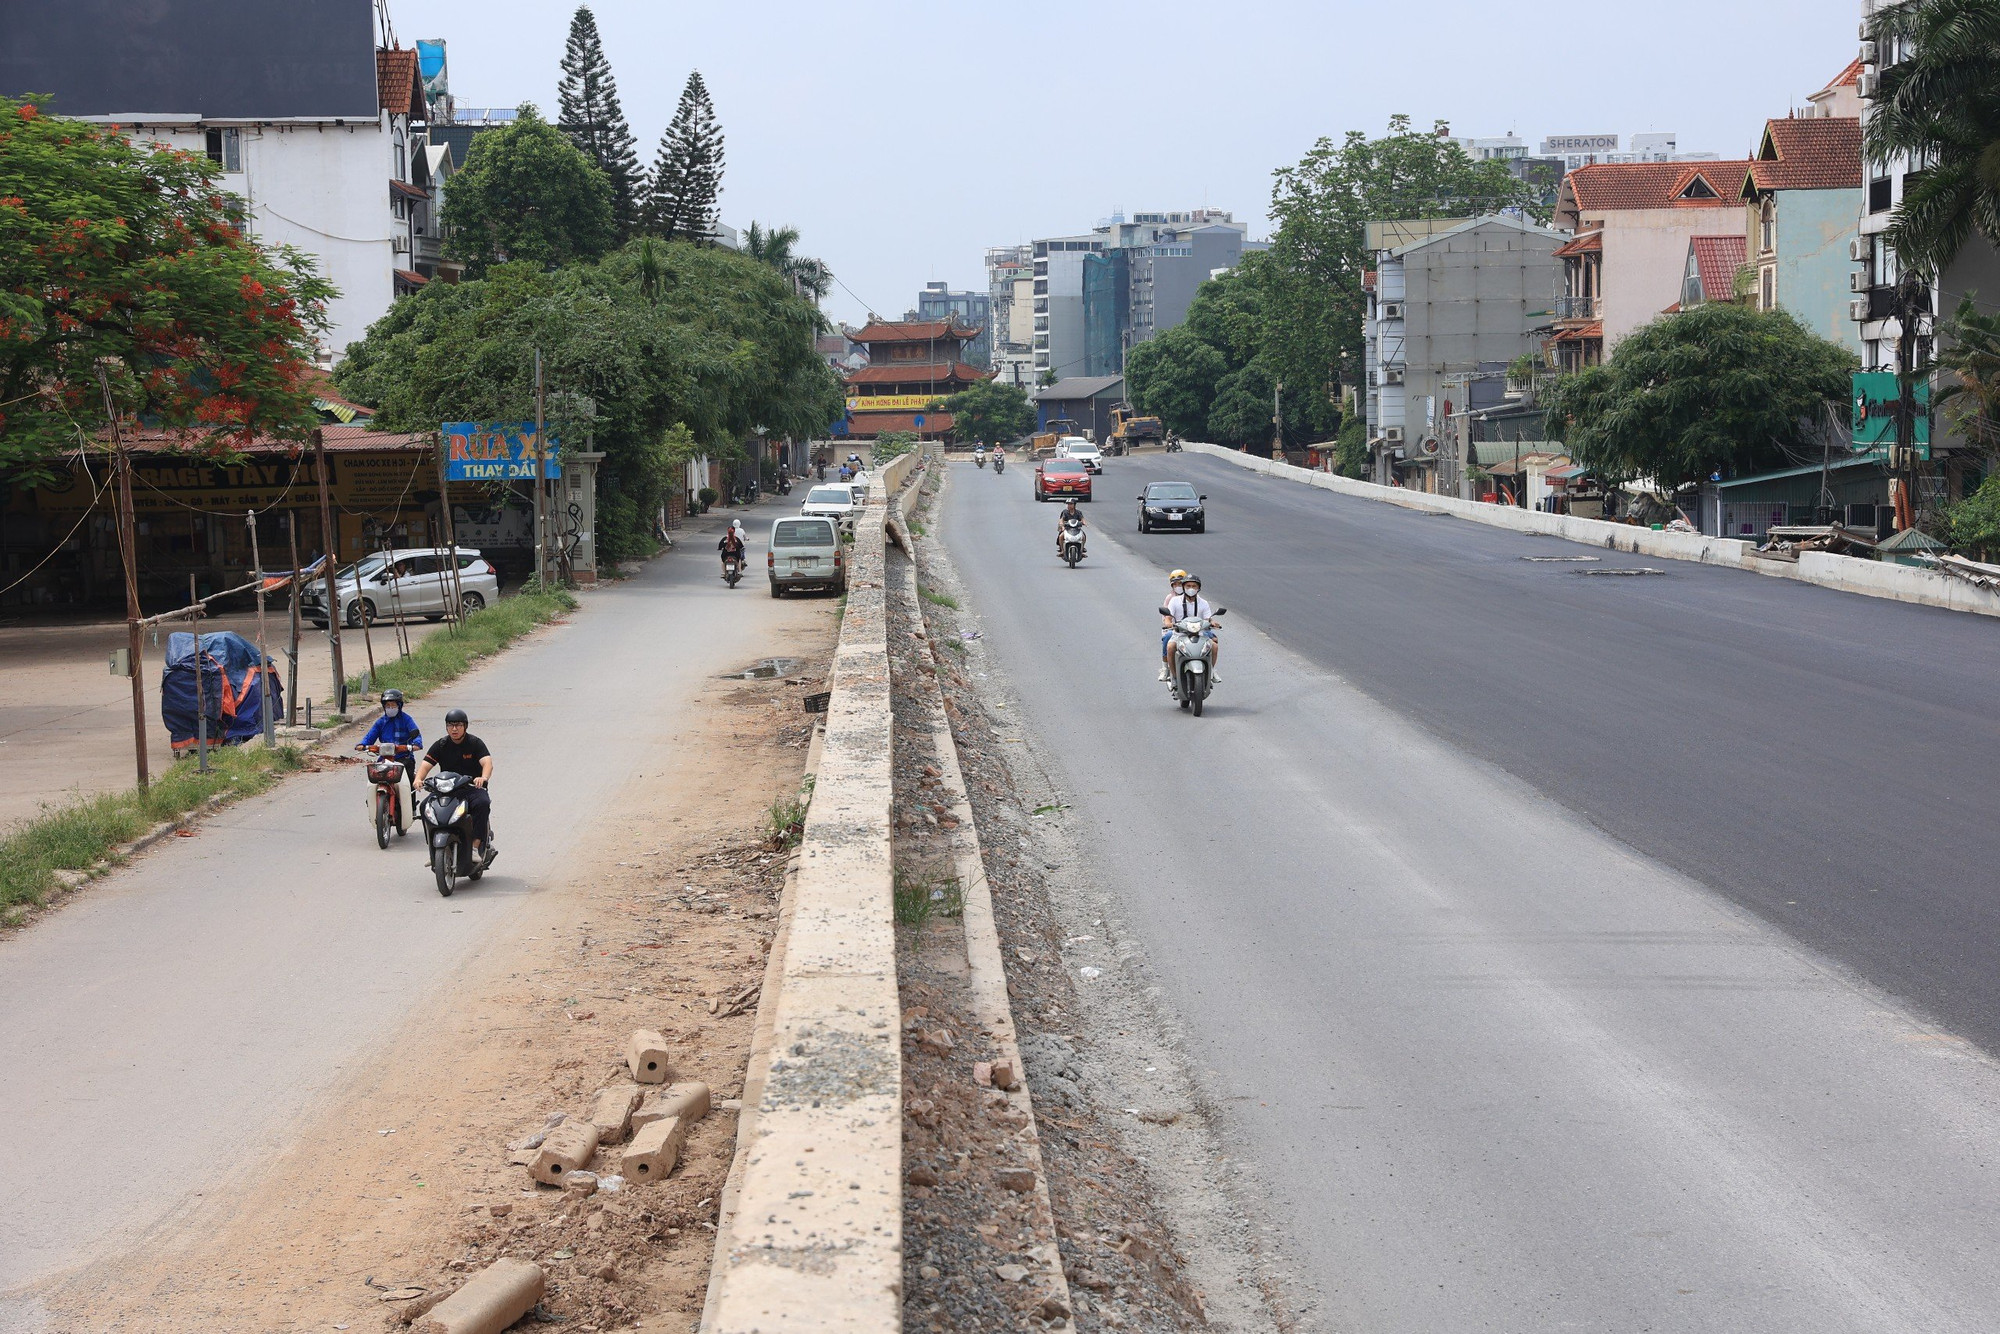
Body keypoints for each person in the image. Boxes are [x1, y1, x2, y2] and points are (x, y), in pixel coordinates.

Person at [414, 707, 495, 862]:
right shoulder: (441, 744)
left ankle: (475, 846)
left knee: (482, 803)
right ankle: (433, 849)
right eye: (450, 725)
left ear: (465, 726)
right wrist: (418, 779)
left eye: (458, 725)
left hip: (471, 789)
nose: (454, 729)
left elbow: (487, 763)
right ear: (446, 727)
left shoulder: (474, 743)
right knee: (425, 806)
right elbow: (425, 765)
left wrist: (483, 778)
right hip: (446, 790)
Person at [1158, 572, 1218, 683]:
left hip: (1199, 633)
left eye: (1194, 586)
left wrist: (1213, 623)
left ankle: (1212, 671)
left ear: (1198, 588)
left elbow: (1208, 619)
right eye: (1188, 586)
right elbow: (1168, 618)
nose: (1191, 588)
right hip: (1179, 634)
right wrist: (1169, 624)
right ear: (1184, 587)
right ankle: (1174, 677)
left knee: (1214, 646)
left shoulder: (1203, 603)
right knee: (1170, 647)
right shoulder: (1174, 601)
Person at [355, 688, 422, 784]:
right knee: (373, 782)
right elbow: (370, 736)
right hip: (384, 758)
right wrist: (362, 745)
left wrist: (416, 744)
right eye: (388, 705)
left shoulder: (407, 720)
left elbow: (416, 734)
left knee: (408, 782)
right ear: (384, 707)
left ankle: (410, 793)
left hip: (404, 758)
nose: (390, 708)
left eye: (393, 705)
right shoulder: (381, 722)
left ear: (399, 706)